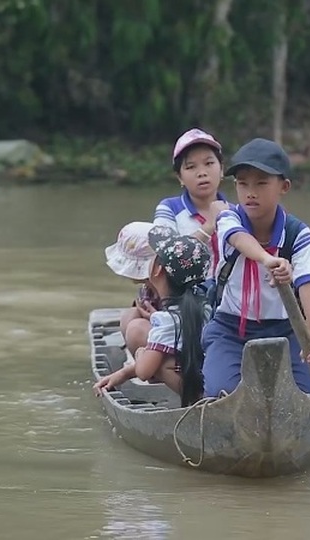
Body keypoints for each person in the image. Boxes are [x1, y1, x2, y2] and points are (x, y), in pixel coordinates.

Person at [200, 138, 310, 398]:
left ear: (284, 186)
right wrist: (268, 259)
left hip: (285, 329)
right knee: (220, 393)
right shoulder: (228, 217)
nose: (250, 192)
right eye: (243, 183)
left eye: (261, 183)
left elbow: (307, 283)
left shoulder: (297, 233)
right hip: (230, 329)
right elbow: (238, 238)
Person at [96, 224, 213, 406]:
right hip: (210, 374)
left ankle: (198, 402)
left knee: (157, 362)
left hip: (199, 388)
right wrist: (123, 373)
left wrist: (143, 352)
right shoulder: (205, 304)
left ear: (158, 269)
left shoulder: (167, 320)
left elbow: (143, 372)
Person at [153, 128, 230, 282]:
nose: (202, 172)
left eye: (209, 163)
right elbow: (166, 256)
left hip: (227, 300)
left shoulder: (235, 213)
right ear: (179, 177)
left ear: (221, 169)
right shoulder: (169, 209)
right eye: (190, 167)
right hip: (182, 298)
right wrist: (209, 226)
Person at [104, 222, 163, 357]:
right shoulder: (148, 289)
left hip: (173, 338)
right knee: (129, 316)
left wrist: (155, 317)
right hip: (159, 332)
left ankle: (155, 370)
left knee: (135, 328)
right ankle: (142, 362)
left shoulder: (168, 287)